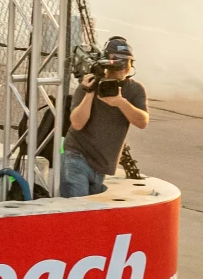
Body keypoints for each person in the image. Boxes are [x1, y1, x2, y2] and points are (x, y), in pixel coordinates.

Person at [62, 37, 148, 195]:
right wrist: (90, 92)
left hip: (102, 165)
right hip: (77, 157)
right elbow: (77, 123)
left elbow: (142, 122)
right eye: (117, 62)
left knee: (92, 212)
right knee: (78, 209)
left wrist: (121, 103)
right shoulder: (89, 84)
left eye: (126, 62)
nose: (121, 68)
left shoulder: (134, 90)